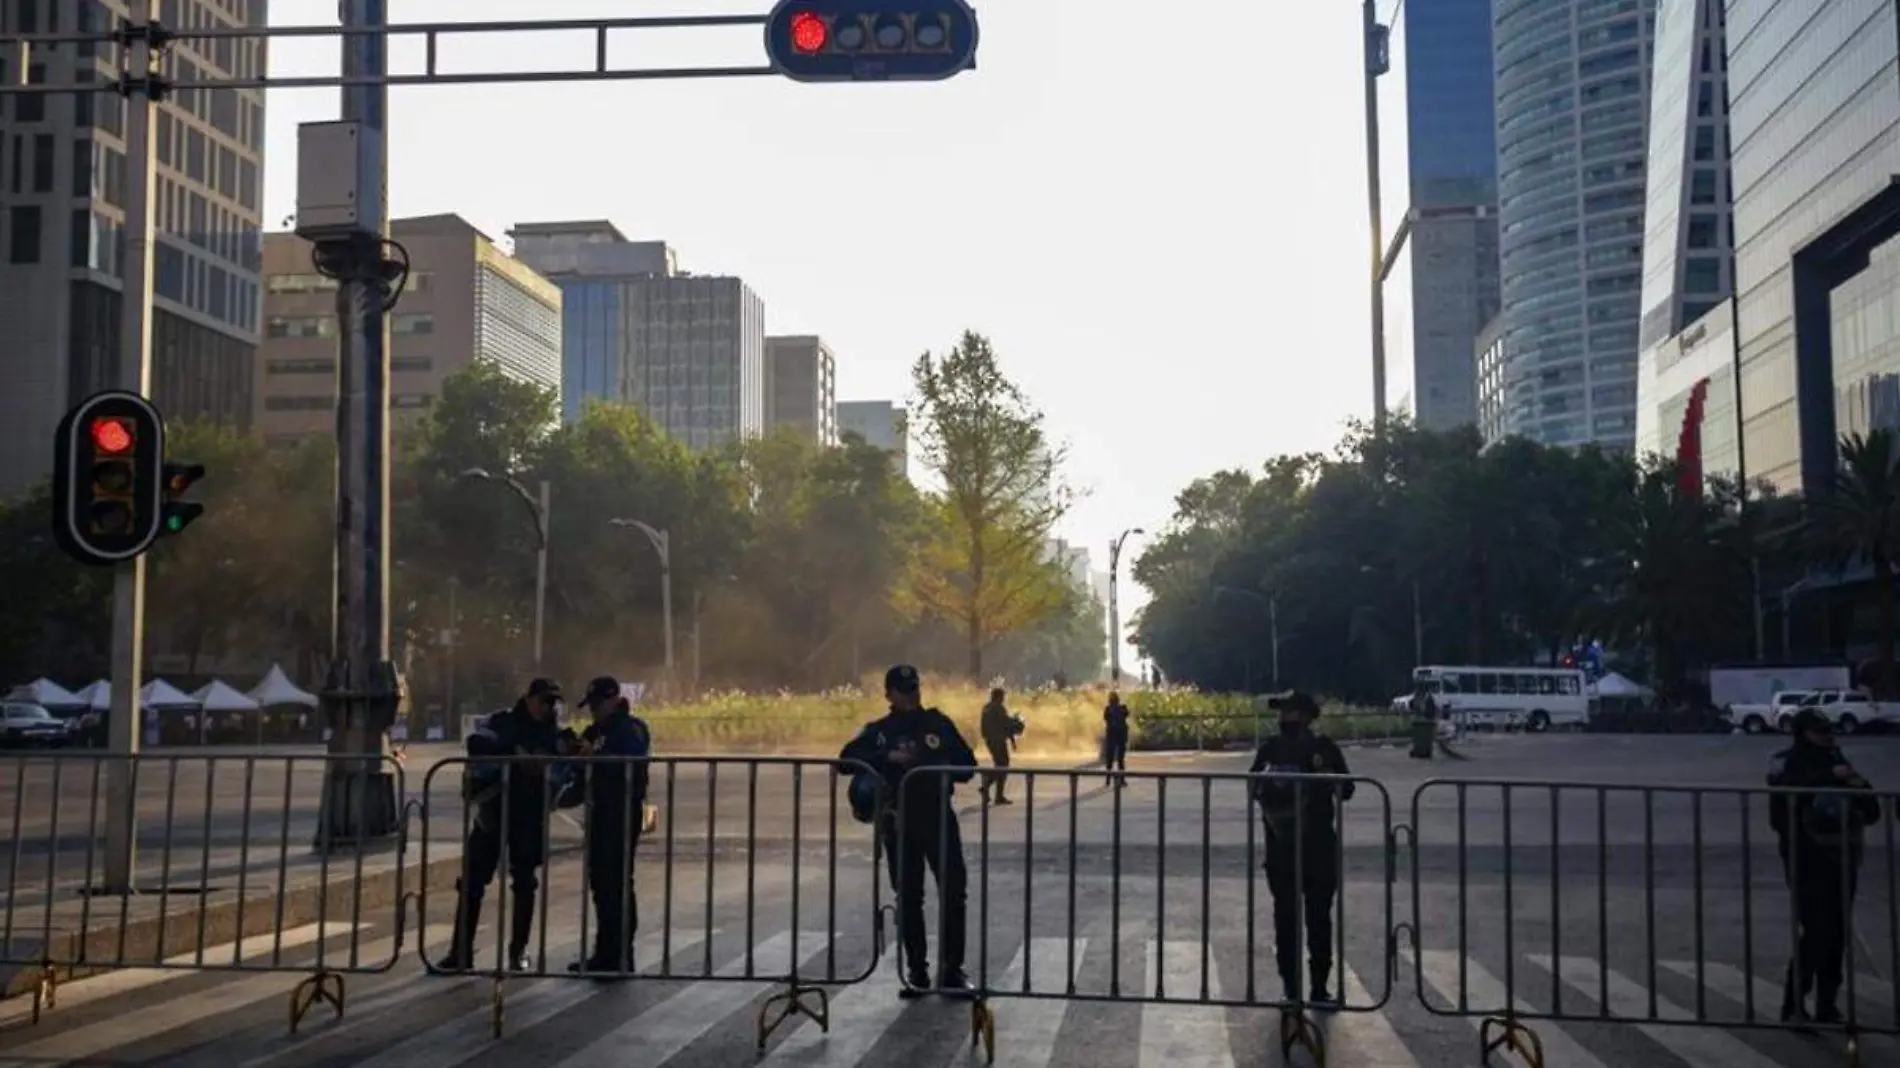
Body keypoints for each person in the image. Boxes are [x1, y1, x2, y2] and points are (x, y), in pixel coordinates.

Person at [840, 664, 978, 997]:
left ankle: (952, 970)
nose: (911, 695)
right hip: (899, 820)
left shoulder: (938, 724)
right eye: (903, 690)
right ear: (889, 694)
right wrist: (887, 757)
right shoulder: (879, 731)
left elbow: (967, 765)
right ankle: (917, 970)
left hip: (937, 816)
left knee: (953, 892)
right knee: (909, 896)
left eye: (914, 688)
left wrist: (931, 764)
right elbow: (845, 760)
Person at [438, 678, 568, 972]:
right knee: (472, 881)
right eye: (544, 700)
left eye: (553, 703)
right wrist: (515, 752)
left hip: (529, 813)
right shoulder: (503, 721)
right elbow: (477, 742)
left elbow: (566, 757)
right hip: (493, 810)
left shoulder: (553, 733)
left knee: (524, 883)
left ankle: (517, 952)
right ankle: (460, 952)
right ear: (529, 698)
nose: (548, 707)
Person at [1769, 708, 1882, 1024]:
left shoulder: (1838, 761)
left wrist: (1854, 783)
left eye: (1829, 731)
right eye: (1820, 731)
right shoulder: (1786, 762)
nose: (1827, 736)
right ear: (1802, 733)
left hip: (1842, 856)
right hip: (1806, 858)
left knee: (1836, 933)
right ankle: (1793, 1003)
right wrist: (1828, 778)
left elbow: (1871, 808)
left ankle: (1827, 1004)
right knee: (1817, 930)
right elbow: (1780, 812)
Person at [1249, 691, 1354, 1004]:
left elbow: (1347, 788)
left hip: (1314, 844)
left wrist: (1323, 778)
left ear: (1306, 716)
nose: (1285, 719)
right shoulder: (1271, 749)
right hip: (1285, 847)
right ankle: (1293, 988)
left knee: (1314, 919)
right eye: (1284, 713)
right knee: (1290, 920)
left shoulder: (1322, 748)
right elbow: (1253, 787)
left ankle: (1316, 986)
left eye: (1291, 712)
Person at [557, 676, 653, 976]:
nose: (594, 711)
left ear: (613, 700)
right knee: (600, 883)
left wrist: (594, 756)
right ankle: (604, 952)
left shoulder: (631, 729)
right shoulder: (594, 731)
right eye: (591, 706)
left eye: (598, 704)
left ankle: (621, 953)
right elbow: (579, 770)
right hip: (598, 811)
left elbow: (631, 759)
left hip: (622, 810)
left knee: (618, 882)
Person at [979, 687, 1023, 805]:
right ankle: (990, 788)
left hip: (991, 741)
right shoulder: (998, 708)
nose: (1004, 699)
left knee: (1000, 765)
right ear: (999, 697)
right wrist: (1016, 723)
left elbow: (986, 727)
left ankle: (991, 790)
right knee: (1002, 766)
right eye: (1002, 697)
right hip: (998, 741)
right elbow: (1006, 724)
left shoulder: (987, 708)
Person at [1102, 692, 1131, 786]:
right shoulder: (1122, 708)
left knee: (1110, 759)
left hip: (1112, 736)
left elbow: (1105, 718)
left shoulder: (1108, 709)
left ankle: (1108, 780)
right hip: (1120, 736)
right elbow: (1127, 714)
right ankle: (1121, 780)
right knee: (1120, 759)